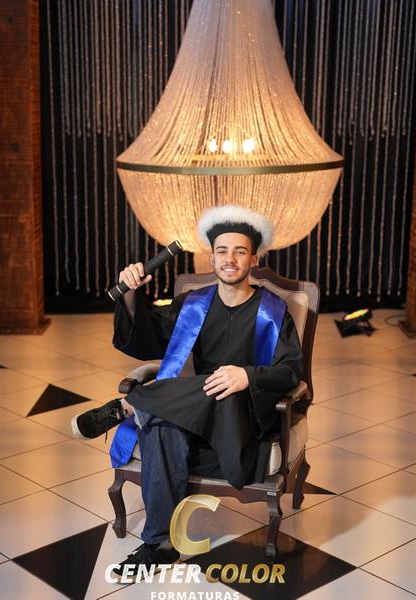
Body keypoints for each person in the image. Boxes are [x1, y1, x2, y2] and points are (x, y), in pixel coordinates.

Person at [71, 205, 303, 577]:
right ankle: (160, 545)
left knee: (218, 387)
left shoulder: (272, 311)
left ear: (254, 259)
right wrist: (131, 294)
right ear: (212, 257)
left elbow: (291, 372)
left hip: (240, 426)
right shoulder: (194, 304)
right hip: (196, 417)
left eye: (240, 251)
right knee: (161, 424)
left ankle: (130, 406)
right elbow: (148, 338)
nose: (230, 259)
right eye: (222, 251)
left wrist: (247, 376)